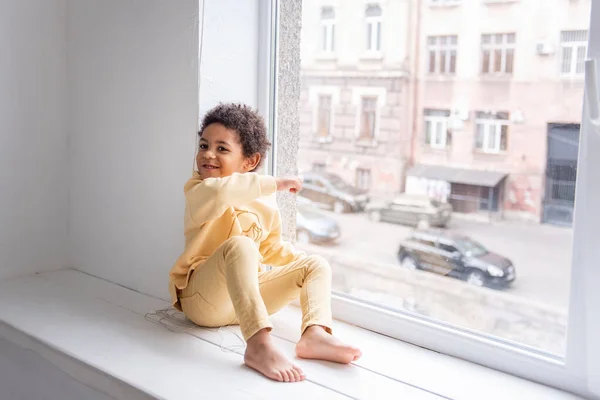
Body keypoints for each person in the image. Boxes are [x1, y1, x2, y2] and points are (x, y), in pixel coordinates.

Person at [169, 103, 361, 383]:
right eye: (203, 145)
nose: (208, 154)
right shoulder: (199, 190)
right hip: (202, 301)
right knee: (241, 245)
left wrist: (302, 272)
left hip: (244, 302)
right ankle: (258, 344)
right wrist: (275, 183)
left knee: (315, 264)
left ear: (249, 162)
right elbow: (225, 192)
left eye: (222, 148)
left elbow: (271, 248)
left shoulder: (263, 200)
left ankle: (315, 334)